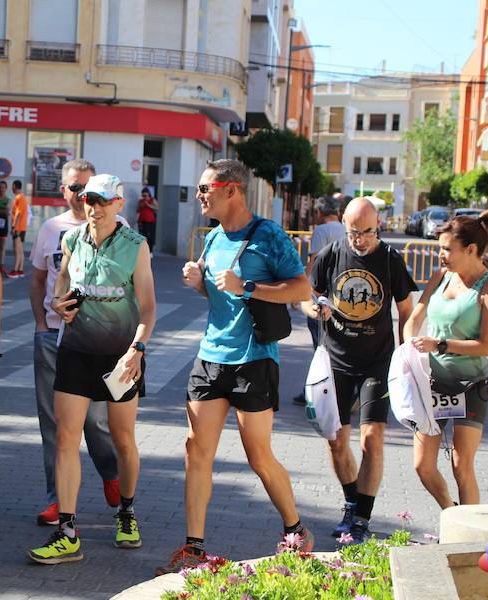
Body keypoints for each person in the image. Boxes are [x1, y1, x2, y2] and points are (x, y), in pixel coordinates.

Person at [156, 159, 313, 575]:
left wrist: (248, 286)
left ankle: (296, 530)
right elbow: (218, 297)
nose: (200, 194)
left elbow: (301, 288)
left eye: (207, 188)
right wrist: (198, 282)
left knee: (258, 454)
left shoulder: (269, 235)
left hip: (254, 360)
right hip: (211, 357)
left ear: (232, 190)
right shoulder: (211, 238)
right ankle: (193, 547)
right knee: (196, 452)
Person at [28, 174, 156, 564]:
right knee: (66, 438)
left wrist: (137, 350)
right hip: (77, 352)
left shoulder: (136, 246)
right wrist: (59, 304)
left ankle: (127, 512)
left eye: (102, 201)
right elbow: (60, 287)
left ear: (119, 204)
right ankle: (67, 531)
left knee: (122, 439)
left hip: (121, 358)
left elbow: (148, 308)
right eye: (88, 200)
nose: (93, 208)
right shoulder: (71, 239)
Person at [301, 197, 418, 543]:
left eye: (366, 232)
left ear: (377, 225)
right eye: (354, 232)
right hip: (335, 361)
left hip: (376, 362)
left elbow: (406, 310)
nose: (359, 240)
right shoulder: (332, 254)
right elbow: (306, 296)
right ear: (343, 224)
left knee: (372, 439)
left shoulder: (390, 260)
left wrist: (405, 357)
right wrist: (314, 310)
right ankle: (351, 501)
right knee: (336, 441)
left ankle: (362, 518)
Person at [29, 159, 124, 528]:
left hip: (98, 341)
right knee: (52, 423)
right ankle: (57, 500)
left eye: (85, 189)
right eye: (72, 188)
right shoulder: (51, 229)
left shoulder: (119, 229)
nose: (79, 196)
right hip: (54, 337)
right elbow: (38, 279)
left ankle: (112, 475)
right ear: (62, 190)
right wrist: (41, 323)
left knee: (97, 422)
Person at [404, 211, 488, 509]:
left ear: (470, 250)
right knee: (423, 466)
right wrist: (409, 348)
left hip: (470, 387)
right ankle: (452, 514)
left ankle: (470, 537)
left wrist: (441, 344)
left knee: (461, 465)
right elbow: (414, 319)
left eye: (447, 249)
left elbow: (487, 346)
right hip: (431, 385)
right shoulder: (440, 277)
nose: (441, 255)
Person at [292, 195, 346, 405]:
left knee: (319, 345)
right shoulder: (344, 228)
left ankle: (316, 391)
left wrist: (303, 290)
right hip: (341, 294)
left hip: (321, 293)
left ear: (319, 213)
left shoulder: (322, 231)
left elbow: (314, 261)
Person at [10, 180, 29, 277]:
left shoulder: (19, 197)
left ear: (14, 186)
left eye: (12, 186)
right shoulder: (23, 197)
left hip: (18, 228)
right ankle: (20, 269)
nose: (11, 188)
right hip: (22, 227)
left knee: (17, 250)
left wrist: (14, 227)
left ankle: (15, 270)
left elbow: (18, 213)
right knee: (20, 250)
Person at [137, 187, 159, 257]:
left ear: (149, 195)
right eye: (143, 196)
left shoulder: (152, 200)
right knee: (142, 236)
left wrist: (148, 205)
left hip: (150, 221)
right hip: (142, 221)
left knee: (150, 237)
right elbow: (138, 210)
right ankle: (143, 251)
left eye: (146, 195)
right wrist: (143, 205)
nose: (144, 197)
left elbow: (157, 208)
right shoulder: (141, 201)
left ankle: (150, 251)